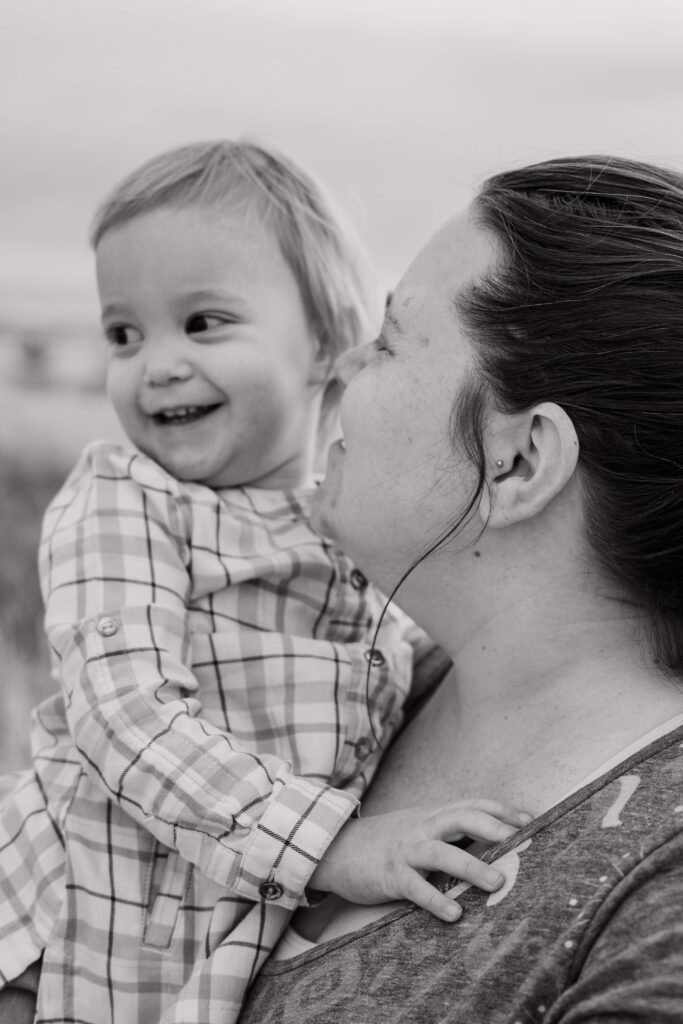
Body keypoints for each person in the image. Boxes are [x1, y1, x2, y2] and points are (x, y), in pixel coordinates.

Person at [0, 141, 523, 1024]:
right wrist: (330, 847)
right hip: (75, 920)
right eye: (123, 334)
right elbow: (123, 714)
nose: (155, 362)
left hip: (213, 946)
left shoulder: (353, 527)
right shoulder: (126, 499)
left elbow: (425, 652)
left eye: (202, 323)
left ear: (324, 342)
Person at [239, 154, 683, 1023]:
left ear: (517, 462)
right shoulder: (367, 690)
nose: (338, 368)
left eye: (390, 340)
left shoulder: (658, 894)